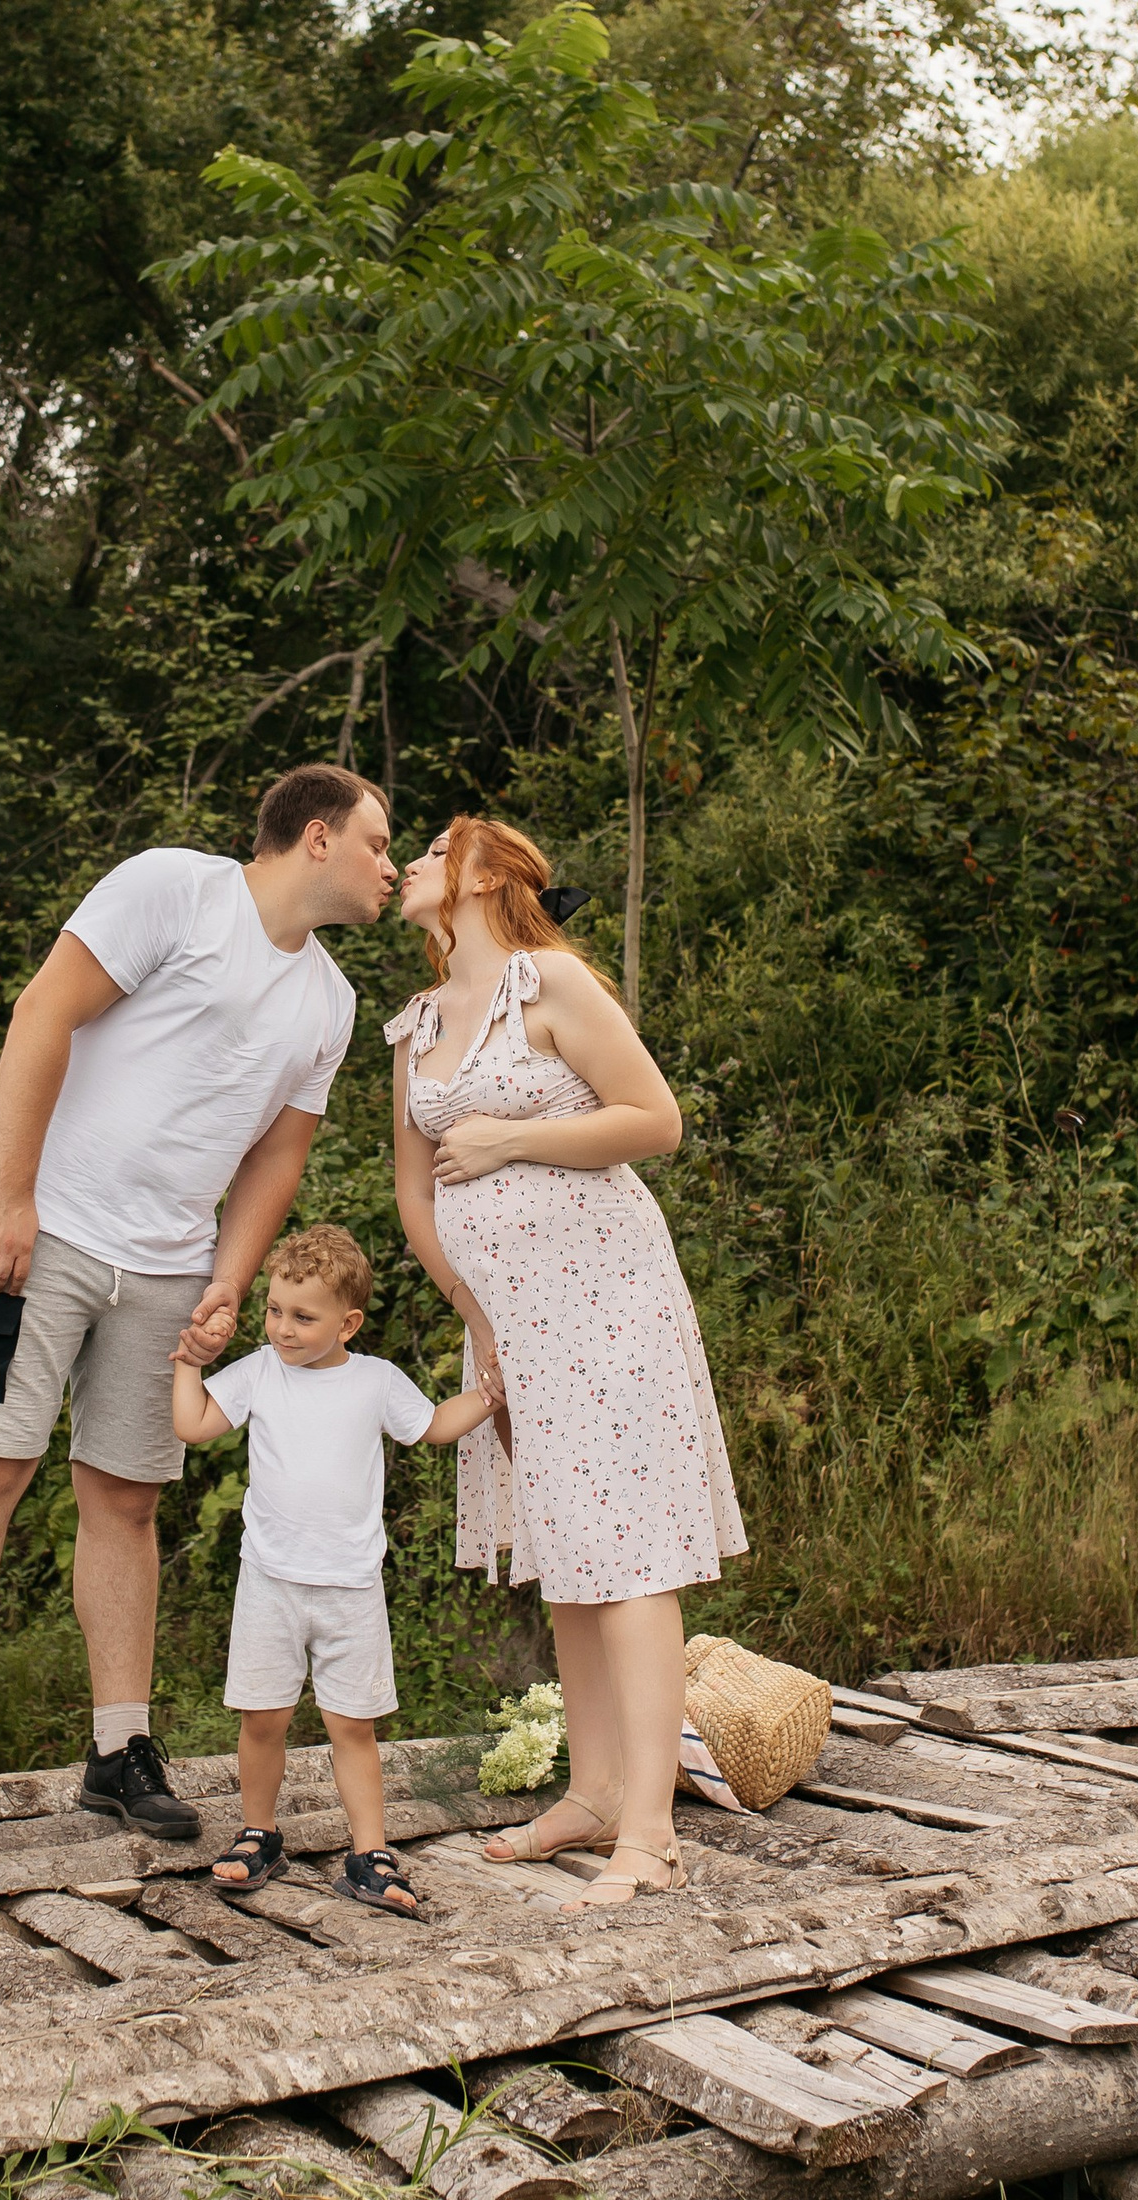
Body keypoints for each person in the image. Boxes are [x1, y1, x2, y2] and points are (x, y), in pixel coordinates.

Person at [0, 766, 398, 1860]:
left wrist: (229, 1274)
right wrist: (14, 1190)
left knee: (125, 1499)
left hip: (167, 1273)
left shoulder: (332, 1002)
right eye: (378, 843)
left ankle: (120, 1751)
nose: (390, 869)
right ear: (317, 838)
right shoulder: (174, 888)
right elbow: (44, 1010)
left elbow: (280, 1148)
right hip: (38, 1233)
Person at [387, 817, 746, 1909]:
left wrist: (511, 1140)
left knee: (626, 1547)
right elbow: (415, 1196)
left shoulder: (551, 983)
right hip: (508, 1317)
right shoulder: (414, 1025)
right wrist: (474, 1309)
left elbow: (656, 1119)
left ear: (485, 874)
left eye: (431, 851)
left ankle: (651, 1827)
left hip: (606, 1298)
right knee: (564, 1547)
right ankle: (591, 1793)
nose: (406, 863)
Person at [171, 1223, 500, 1916]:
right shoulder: (259, 1370)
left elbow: (433, 1427)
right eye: (275, 1310)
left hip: (351, 1588)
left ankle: (369, 1852)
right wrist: (184, 1364)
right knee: (264, 1718)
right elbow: (194, 1424)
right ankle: (257, 1834)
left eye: (302, 1316)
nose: (282, 1329)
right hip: (270, 1581)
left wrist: (492, 1399)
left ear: (347, 1322)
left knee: (353, 1725)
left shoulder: (375, 1381)